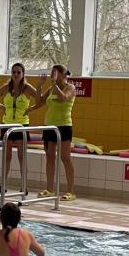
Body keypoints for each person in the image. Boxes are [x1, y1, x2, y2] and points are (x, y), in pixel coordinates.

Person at [0, 62, 39, 195]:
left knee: (21, 156)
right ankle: (2, 184)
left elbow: (41, 100)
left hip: (21, 125)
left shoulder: (27, 88)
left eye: (18, 72)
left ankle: (24, 185)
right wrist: (1, 107)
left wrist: (31, 109)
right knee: (7, 156)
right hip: (7, 124)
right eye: (14, 72)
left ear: (23, 74)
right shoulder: (6, 87)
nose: (16, 74)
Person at [36, 64, 77, 201]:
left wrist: (54, 84)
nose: (52, 75)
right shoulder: (51, 88)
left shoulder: (70, 87)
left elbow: (64, 98)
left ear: (63, 74)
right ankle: (49, 189)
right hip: (49, 125)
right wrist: (39, 86)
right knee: (49, 156)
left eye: (55, 72)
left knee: (65, 157)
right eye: (51, 72)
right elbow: (39, 102)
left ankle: (71, 191)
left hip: (64, 126)